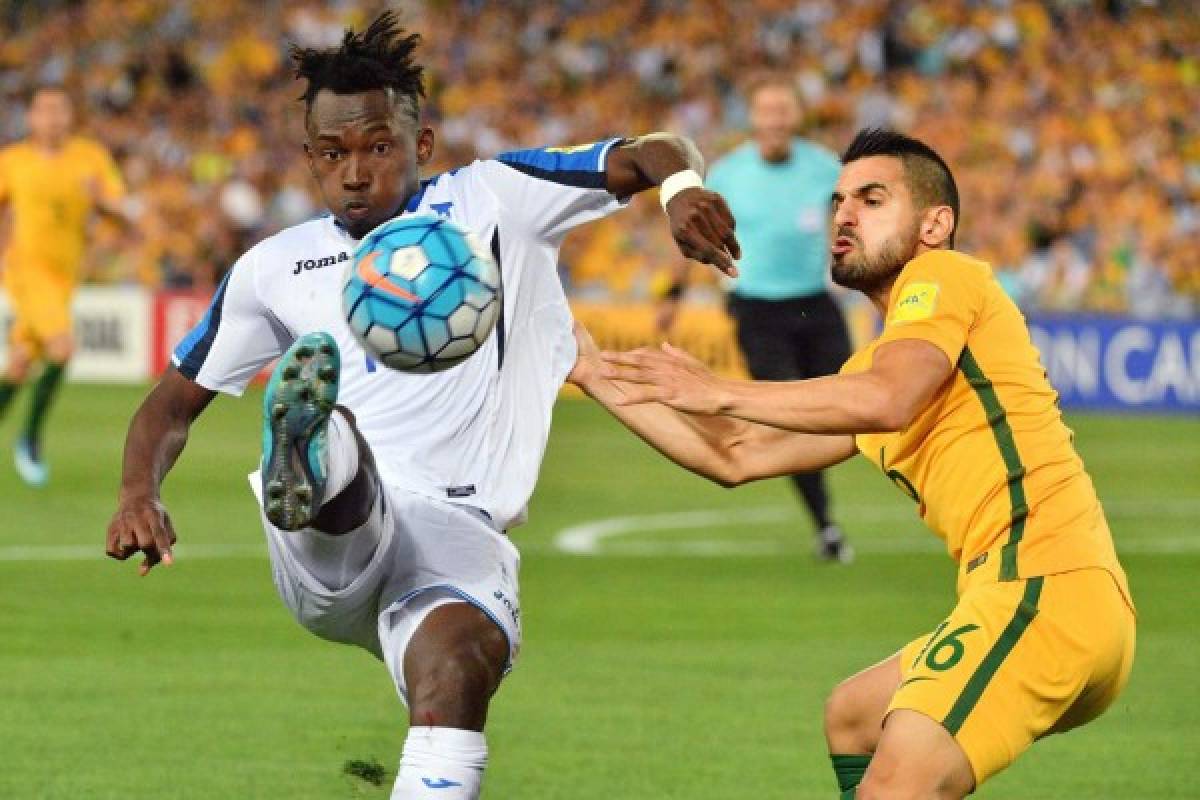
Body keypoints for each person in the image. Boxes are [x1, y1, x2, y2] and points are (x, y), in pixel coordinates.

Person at [104, 13, 739, 800]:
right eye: (333, 154)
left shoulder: (496, 199)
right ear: (309, 160)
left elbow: (651, 148)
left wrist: (678, 190)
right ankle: (310, 451)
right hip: (331, 543)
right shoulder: (274, 267)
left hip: (458, 535)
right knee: (337, 442)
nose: (356, 171)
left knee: (458, 667)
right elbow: (169, 405)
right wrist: (141, 494)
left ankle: (312, 444)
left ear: (423, 145)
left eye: (378, 146)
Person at [572, 128, 1135, 799]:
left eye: (872, 199)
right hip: (1020, 597)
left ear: (935, 224)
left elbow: (891, 399)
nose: (844, 214)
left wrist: (720, 389)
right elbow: (733, 453)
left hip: (1046, 587)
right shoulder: (875, 366)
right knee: (855, 715)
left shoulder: (943, 276)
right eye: (839, 200)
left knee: (893, 787)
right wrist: (592, 371)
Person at [657, 75, 853, 562]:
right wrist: (674, 293)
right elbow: (693, 235)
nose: (775, 121)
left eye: (783, 111)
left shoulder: (826, 168)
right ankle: (826, 526)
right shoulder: (728, 173)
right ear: (754, 119)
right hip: (756, 306)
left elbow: (857, 226)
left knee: (863, 406)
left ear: (796, 117)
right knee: (792, 417)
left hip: (816, 302)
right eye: (767, 112)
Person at [0, 85, 130, 486]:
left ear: (70, 116)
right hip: (27, 271)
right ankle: (30, 439)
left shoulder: (89, 158)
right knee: (62, 346)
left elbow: (120, 213)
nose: (52, 117)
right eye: (44, 110)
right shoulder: (13, 161)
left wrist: (100, 201)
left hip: (65, 277)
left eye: (60, 109)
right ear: (32, 118)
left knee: (21, 363)